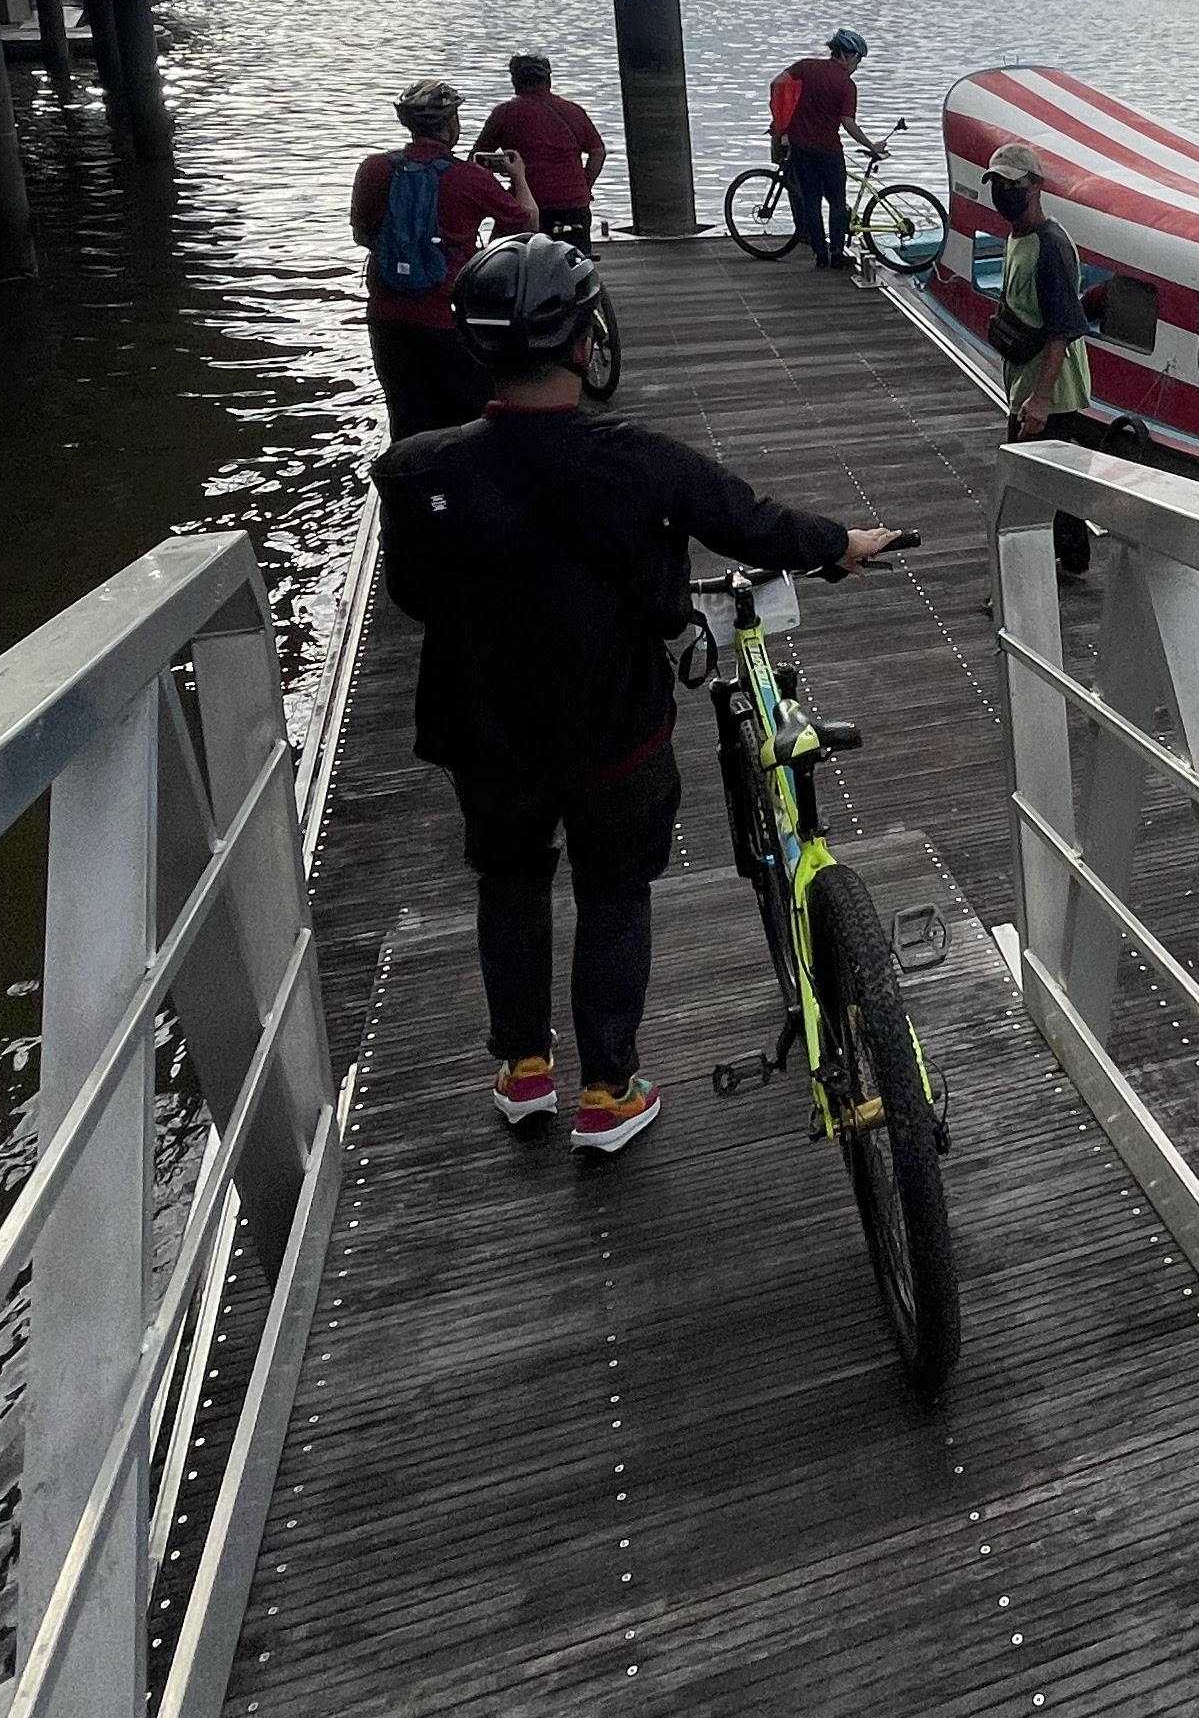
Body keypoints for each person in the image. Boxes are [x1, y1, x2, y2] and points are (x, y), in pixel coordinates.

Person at [372, 233, 903, 1152]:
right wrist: (841, 542)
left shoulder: (419, 471)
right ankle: (608, 1091)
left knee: (510, 880)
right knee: (613, 895)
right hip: (612, 734)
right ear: (585, 342)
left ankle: (524, 1071)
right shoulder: (639, 460)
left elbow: (413, 598)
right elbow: (754, 523)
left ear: (476, 348)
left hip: (485, 736)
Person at [350, 81, 538, 437]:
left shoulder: (373, 169)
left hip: (387, 316)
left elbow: (362, 235)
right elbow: (527, 223)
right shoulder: (470, 177)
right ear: (452, 124)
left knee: (406, 416)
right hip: (448, 319)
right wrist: (520, 178)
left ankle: (414, 487)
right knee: (470, 419)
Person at [985, 138, 1100, 580]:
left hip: (1049, 387)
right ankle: (1073, 559)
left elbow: (1063, 330)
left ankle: (1016, 579)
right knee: (1053, 477)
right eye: (996, 183)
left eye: (1011, 184)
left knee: (1017, 486)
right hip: (1026, 379)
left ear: (1035, 185)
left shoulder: (1051, 245)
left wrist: (1040, 399)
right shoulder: (1018, 236)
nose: (1002, 193)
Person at [476, 51, 608, 244]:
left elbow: (477, 158)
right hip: (574, 205)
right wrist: (584, 184)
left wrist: (501, 169)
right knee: (575, 258)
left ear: (515, 80)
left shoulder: (504, 113)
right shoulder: (573, 110)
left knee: (500, 255)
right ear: (548, 79)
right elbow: (598, 152)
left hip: (527, 207)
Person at [776, 27, 879, 269]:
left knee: (811, 201)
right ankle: (837, 253)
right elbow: (848, 123)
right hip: (829, 151)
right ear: (847, 54)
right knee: (836, 202)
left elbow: (777, 83)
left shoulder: (805, 67)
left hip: (801, 147)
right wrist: (871, 145)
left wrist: (782, 120)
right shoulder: (846, 85)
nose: (858, 65)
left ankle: (820, 254)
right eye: (858, 59)